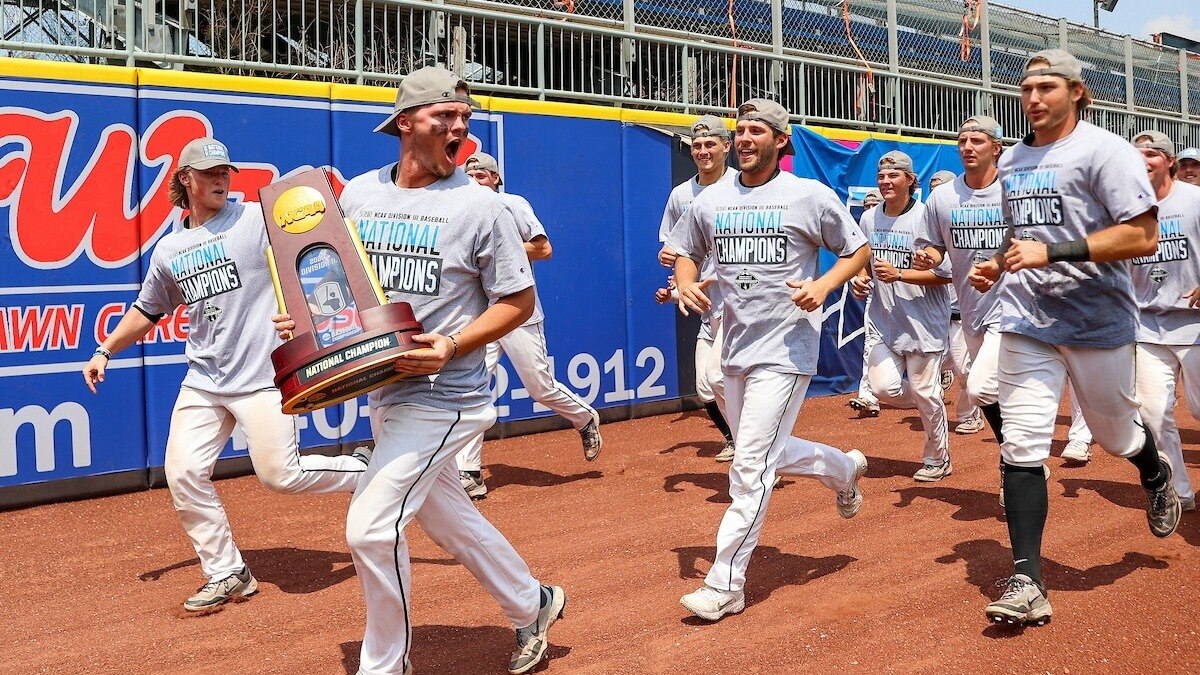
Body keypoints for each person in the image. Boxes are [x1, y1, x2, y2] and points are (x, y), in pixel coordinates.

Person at [275, 67, 565, 675]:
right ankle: (532, 603)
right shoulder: (356, 194)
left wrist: (454, 343)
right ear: (405, 123)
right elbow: (337, 287)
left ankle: (385, 665)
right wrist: (302, 323)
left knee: (371, 529)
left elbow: (519, 302)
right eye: (444, 117)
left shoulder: (481, 207)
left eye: (464, 118)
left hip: (445, 394)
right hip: (383, 388)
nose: (458, 128)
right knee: (450, 519)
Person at [81, 138, 367, 612]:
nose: (220, 179)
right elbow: (147, 310)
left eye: (225, 172)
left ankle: (369, 470)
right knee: (184, 471)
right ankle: (227, 571)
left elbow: (315, 250)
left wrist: (295, 308)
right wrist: (104, 349)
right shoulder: (171, 248)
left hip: (260, 376)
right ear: (185, 180)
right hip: (205, 379)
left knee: (281, 477)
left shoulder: (255, 220)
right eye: (209, 172)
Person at [969, 50, 1180, 627]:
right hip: (1027, 317)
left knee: (1114, 435)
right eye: (1026, 88)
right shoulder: (1012, 159)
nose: (1034, 98)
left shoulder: (1105, 151)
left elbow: (1142, 236)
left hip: (1097, 321)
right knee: (1023, 442)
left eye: (1047, 87)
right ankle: (1027, 579)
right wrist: (998, 262)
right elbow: (1022, 233)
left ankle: (1153, 469)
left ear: (1077, 92)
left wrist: (1052, 252)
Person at [668, 98, 870, 622]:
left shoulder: (807, 194)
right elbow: (686, 250)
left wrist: (824, 285)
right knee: (768, 451)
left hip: (786, 348)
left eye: (757, 130)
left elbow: (857, 249)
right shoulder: (711, 200)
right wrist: (686, 283)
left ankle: (726, 583)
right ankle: (844, 468)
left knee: (750, 463)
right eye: (741, 130)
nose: (745, 138)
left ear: (781, 141)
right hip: (732, 345)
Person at [454, 151, 602, 498]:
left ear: (495, 179)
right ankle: (470, 472)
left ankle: (583, 417)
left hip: (517, 311)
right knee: (472, 388)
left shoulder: (511, 203)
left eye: (482, 175)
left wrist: (498, 248)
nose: (475, 179)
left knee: (539, 387)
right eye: (470, 174)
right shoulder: (463, 211)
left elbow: (543, 248)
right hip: (481, 317)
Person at [851, 150, 953, 482]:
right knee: (882, 389)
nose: (885, 182)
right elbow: (866, 260)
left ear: (910, 180)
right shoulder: (869, 218)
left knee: (924, 392)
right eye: (881, 176)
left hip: (923, 321)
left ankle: (938, 457)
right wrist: (860, 278)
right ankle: (931, 397)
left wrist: (901, 275)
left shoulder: (926, 217)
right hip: (885, 319)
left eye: (893, 176)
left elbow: (946, 274)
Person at [657, 115, 738, 461]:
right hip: (705, 300)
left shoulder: (741, 185)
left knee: (719, 378)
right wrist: (672, 265)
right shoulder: (681, 195)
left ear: (726, 146)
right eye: (697, 145)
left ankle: (754, 445)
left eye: (710, 144)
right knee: (705, 385)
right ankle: (738, 438)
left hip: (737, 297)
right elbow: (673, 246)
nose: (703, 151)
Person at [1129, 130, 1200, 512]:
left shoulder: (1194, 199)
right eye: (1136, 153)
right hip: (1146, 326)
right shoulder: (1123, 208)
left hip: (1195, 325)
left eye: (1152, 153)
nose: (1144, 159)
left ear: (1169, 162)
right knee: (1153, 413)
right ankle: (1181, 492)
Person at [848, 189, 884, 417]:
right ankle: (868, 395)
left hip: (910, 301)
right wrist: (860, 278)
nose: (869, 209)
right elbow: (861, 261)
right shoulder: (865, 224)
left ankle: (939, 375)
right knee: (870, 346)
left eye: (874, 204)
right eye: (866, 205)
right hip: (877, 298)